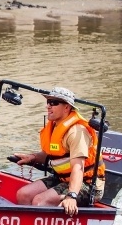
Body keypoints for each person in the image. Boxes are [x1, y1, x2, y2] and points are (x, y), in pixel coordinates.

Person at [14, 87, 105, 216]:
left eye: (54, 103)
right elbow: (54, 154)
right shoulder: (54, 126)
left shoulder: (76, 131)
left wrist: (72, 196)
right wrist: (32, 157)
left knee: (39, 201)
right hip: (63, 179)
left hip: (88, 185)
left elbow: (78, 168)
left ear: (67, 107)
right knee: (23, 194)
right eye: (48, 102)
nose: (48, 106)